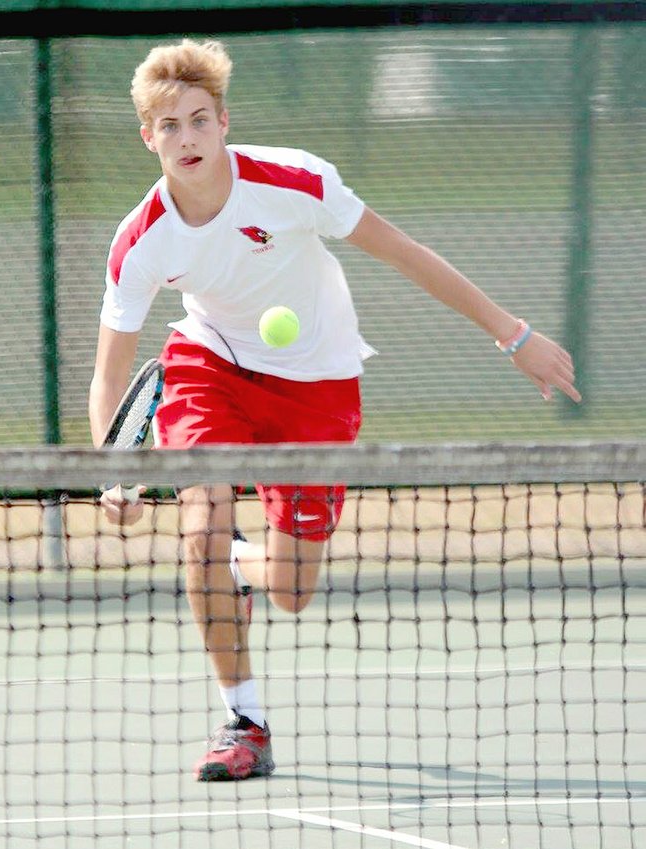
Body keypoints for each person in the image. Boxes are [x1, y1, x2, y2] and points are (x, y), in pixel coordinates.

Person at [88, 38, 581, 782]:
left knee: (290, 590)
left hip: (317, 385)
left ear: (224, 121)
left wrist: (513, 335)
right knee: (203, 522)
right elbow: (111, 372)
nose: (185, 138)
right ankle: (243, 721)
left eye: (198, 120)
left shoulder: (295, 182)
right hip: (209, 366)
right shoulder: (140, 241)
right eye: (168, 125)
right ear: (147, 136)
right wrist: (112, 470)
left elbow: (404, 250)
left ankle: (236, 572)